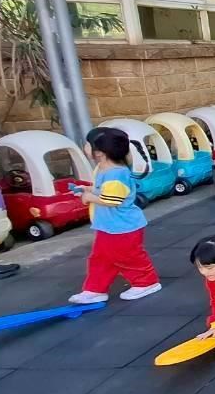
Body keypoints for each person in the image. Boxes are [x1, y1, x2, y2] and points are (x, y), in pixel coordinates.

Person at [68, 127, 161, 304]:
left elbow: (113, 199)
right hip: (109, 226)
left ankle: (147, 282)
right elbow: (103, 189)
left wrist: (89, 197)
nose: (84, 147)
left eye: (87, 144)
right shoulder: (103, 169)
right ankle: (95, 289)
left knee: (128, 257)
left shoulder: (116, 174)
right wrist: (87, 189)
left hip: (122, 228)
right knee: (101, 258)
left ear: (99, 152)